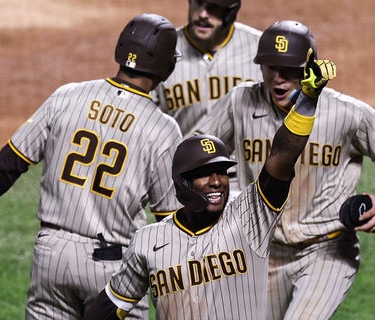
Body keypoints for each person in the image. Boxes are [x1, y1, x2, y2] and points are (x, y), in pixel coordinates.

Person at [0, 13, 183, 320]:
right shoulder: (163, 130)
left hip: (51, 257)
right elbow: (168, 221)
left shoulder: (67, 96)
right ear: (167, 66)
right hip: (112, 268)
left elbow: (9, 164)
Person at [82, 48, 337, 319]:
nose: (217, 181)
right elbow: (110, 306)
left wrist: (308, 100)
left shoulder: (250, 217)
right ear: (182, 182)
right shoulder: (148, 241)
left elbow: (282, 157)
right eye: (205, 173)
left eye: (222, 172)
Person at [188, 20, 375, 320]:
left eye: (289, 69)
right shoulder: (241, 101)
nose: (278, 78)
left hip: (327, 251)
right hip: (260, 252)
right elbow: (198, 149)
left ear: (309, 68)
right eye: (270, 67)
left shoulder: (346, 113)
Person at [153, 0, 263, 135]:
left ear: (230, 12)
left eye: (213, 7)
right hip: (183, 155)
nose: (203, 14)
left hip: (240, 156)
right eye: (198, 3)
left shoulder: (259, 48)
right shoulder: (161, 49)